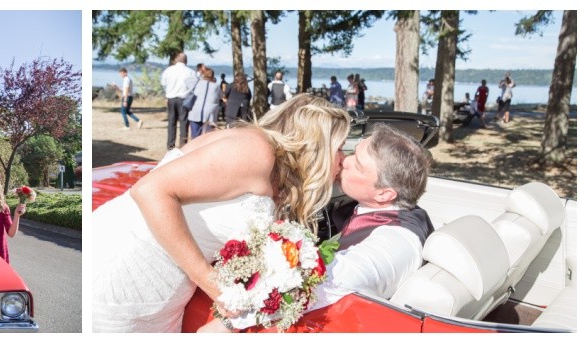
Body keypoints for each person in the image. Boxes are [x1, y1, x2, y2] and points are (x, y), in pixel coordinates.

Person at [92, 94, 352, 332]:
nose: (343, 158)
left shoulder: (275, 175)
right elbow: (149, 191)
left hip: (164, 296)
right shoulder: (254, 150)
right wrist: (213, 284)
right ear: (315, 144)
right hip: (125, 274)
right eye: (339, 147)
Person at [199, 123, 435, 332]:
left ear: (385, 193)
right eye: (352, 152)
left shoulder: (396, 242)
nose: (345, 160)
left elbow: (328, 282)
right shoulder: (392, 212)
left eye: (359, 165)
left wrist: (229, 323)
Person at [160, 52, 198, 150]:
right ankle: (183, 145)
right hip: (184, 99)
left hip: (171, 98)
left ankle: (170, 145)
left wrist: (168, 92)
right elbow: (195, 86)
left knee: (171, 122)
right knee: (184, 123)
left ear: (176, 60)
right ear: (186, 60)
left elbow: (163, 83)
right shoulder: (190, 72)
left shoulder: (168, 70)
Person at [186, 67, 221, 139]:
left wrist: (199, 74)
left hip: (195, 112)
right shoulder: (216, 86)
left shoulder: (197, 83)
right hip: (209, 114)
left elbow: (187, 81)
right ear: (213, 76)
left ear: (203, 74)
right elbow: (221, 96)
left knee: (195, 136)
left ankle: (195, 148)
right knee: (207, 136)